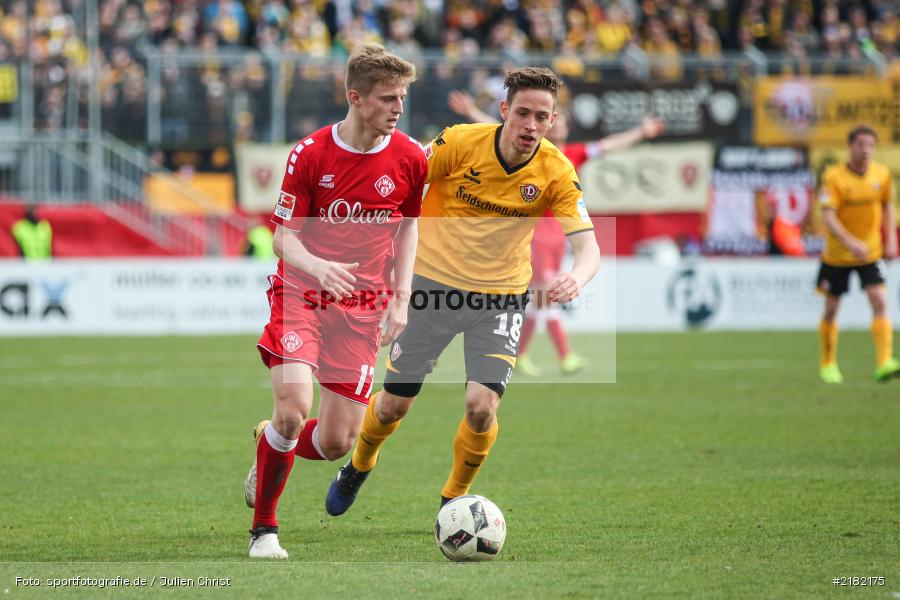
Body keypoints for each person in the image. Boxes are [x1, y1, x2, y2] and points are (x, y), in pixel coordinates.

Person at [325, 67, 602, 516]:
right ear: (505, 110)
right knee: (394, 406)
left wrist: (578, 275)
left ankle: (453, 500)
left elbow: (588, 247)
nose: (532, 126)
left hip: (499, 299)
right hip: (431, 289)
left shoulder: (556, 170)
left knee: (481, 407)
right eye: (524, 114)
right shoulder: (459, 143)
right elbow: (403, 181)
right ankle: (359, 464)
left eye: (543, 117)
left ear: (553, 121)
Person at [243, 43, 427, 558]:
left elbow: (410, 227)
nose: (398, 107)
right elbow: (283, 238)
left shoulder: (411, 157)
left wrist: (401, 297)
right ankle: (265, 531)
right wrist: (318, 266)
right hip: (303, 292)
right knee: (293, 408)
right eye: (389, 98)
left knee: (337, 442)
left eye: (403, 97)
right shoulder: (311, 154)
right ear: (355, 97)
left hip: (365, 305)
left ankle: (270, 444)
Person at [447, 90, 665, 376]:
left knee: (540, 298)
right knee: (545, 293)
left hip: (556, 233)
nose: (555, 126)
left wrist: (641, 132)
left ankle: (521, 354)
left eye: (555, 120)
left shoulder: (572, 155)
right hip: (535, 231)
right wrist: (470, 113)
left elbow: (608, 145)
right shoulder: (533, 153)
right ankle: (563, 356)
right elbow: (497, 126)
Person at [816, 125, 899, 384]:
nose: (866, 150)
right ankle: (828, 363)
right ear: (850, 146)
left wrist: (892, 239)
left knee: (879, 301)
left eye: (870, 145)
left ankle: (884, 361)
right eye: (861, 145)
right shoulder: (834, 176)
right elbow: (828, 216)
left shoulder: (881, 174)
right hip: (837, 254)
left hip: (870, 252)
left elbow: (887, 205)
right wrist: (850, 242)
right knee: (831, 308)